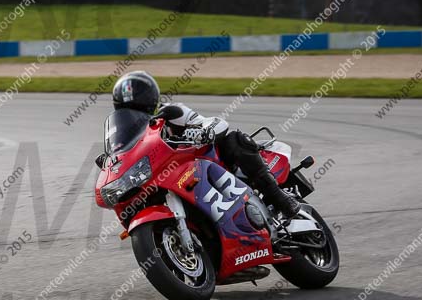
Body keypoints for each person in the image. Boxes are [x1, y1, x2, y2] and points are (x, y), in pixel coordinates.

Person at [111, 70, 301, 218]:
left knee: (234, 140)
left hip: (205, 164)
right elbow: (121, 158)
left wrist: (204, 131)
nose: (134, 114)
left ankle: (279, 197)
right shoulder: (123, 135)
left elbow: (217, 123)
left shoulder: (171, 112)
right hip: (169, 177)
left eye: (136, 107)